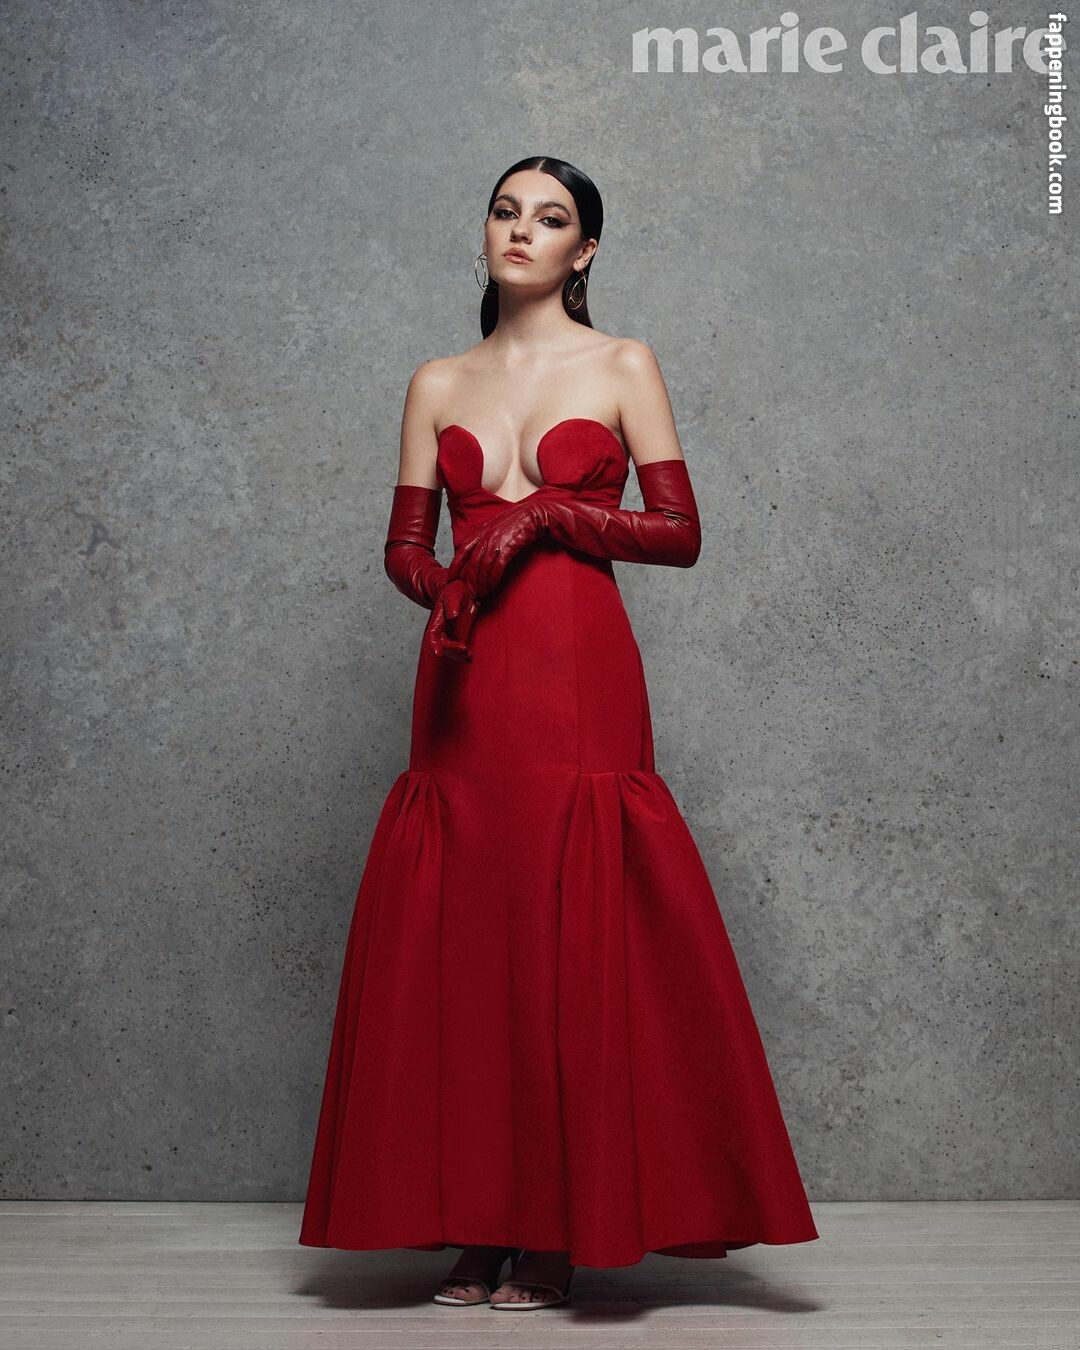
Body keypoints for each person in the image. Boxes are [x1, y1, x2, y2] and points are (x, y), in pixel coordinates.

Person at [298, 156, 819, 1310]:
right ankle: (477, 1227)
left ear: (585, 251)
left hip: (579, 672)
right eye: (504, 211)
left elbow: (679, 532)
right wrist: (447, 585)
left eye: (550, 218)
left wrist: (543, 513)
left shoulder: (623, 364)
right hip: (464, 677)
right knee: (469, 940)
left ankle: (553, 1229)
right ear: (484, 233)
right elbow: (402, 550)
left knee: (568, 931)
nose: (520, 231)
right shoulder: (437, 381)